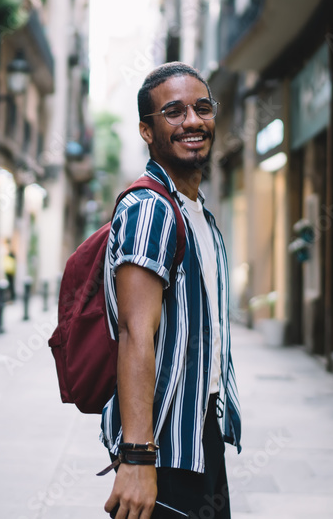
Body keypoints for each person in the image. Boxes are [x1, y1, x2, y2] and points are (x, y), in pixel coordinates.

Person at [102, 63, 242, 519]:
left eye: (202, 108)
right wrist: (138, 459)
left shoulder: (199, 214)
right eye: (174, 112)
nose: (193, 121)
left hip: (199, 437)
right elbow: (135, 333)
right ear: (147, 130)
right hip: (162, 446)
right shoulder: (150, 210)